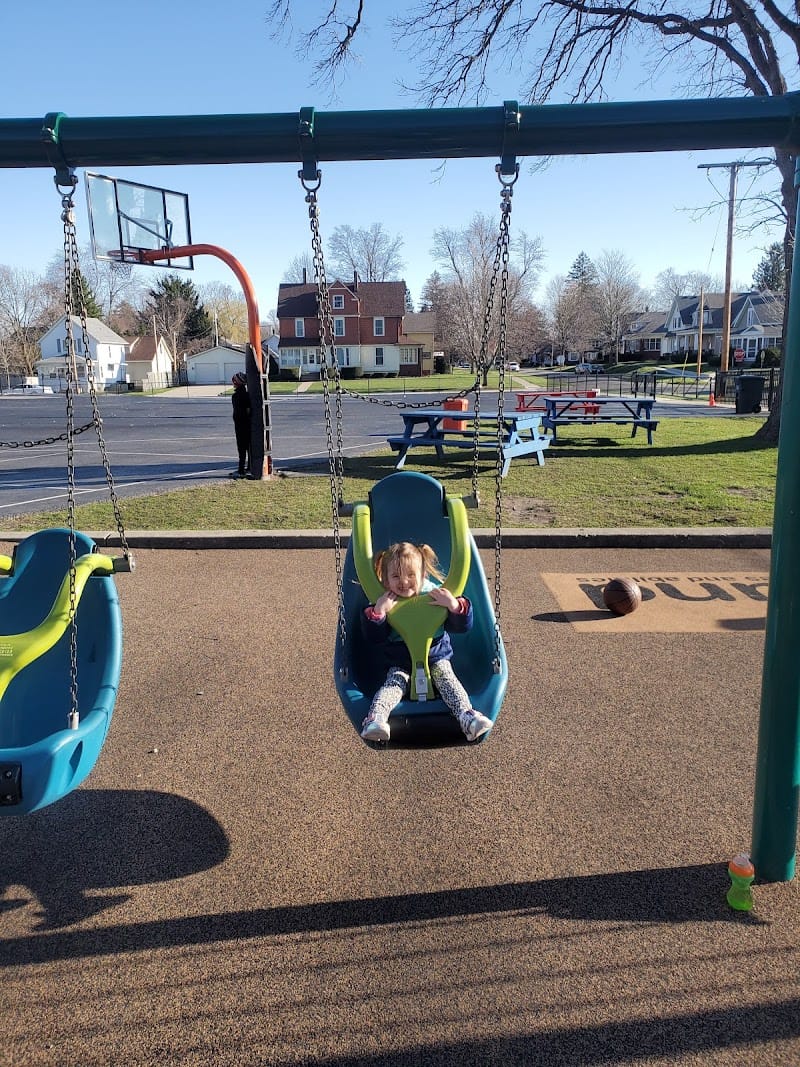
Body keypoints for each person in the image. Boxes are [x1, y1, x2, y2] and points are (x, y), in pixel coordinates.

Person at [359, 541, 494, 743]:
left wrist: (454, 605)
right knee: (392, 685)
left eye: (410, 575)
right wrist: (378, 612)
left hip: (436, 657)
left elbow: (462, 627)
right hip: (401, 662)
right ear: (385, 580)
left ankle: (467, 717)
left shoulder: (435, 594)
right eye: (396, 576)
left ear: (423, 575)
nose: (404, 581)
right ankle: (375, 720)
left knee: (446, 679)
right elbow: (374, 637)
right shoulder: (385, 600)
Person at [229, 372, 251, 478]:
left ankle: (241, 469)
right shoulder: (247, 395)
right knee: (248, 447)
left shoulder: (236, 396)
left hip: (241, 425)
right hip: (247, 424)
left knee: (241, 448)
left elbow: (239, 412)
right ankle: (250, 466)